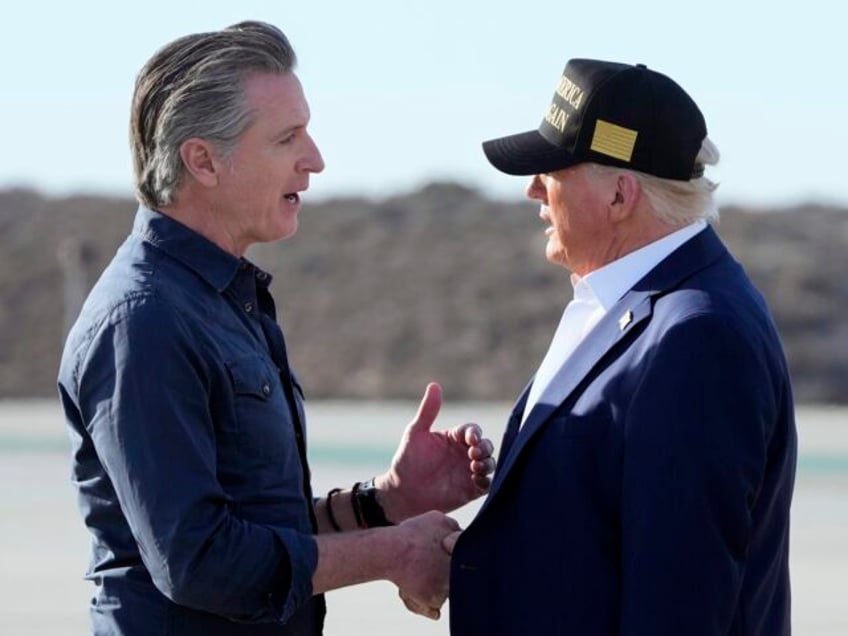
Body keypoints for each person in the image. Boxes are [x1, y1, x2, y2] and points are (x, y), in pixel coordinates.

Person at [57, 21, 495, 635]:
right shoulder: (143, 322)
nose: (314, 160)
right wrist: (394, 551)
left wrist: (388, 501)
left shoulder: (226, 300)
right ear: (203, 160)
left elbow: (262, 526)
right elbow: (201, 561)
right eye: (288, 138)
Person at [447, 58, 797, 634]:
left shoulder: (695, 336)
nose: (533, 187)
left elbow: (679, 600)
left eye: (552, 169)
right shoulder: (633, 304)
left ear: (619, 195)